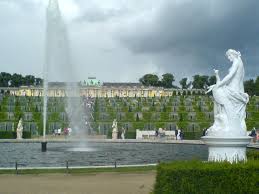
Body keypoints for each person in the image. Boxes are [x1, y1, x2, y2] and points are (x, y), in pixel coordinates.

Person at [206, 49, 249, 137]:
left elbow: (230, 76)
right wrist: (217, 79)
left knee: (216, 91)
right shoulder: (240, 63)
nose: (229, 58)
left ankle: (219, 121)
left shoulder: (236, 62)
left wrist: (218, 85)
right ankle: (220, 121)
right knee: (216, 89)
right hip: (234, 88)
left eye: (229, 56)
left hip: (233, 90)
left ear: (233, 54)